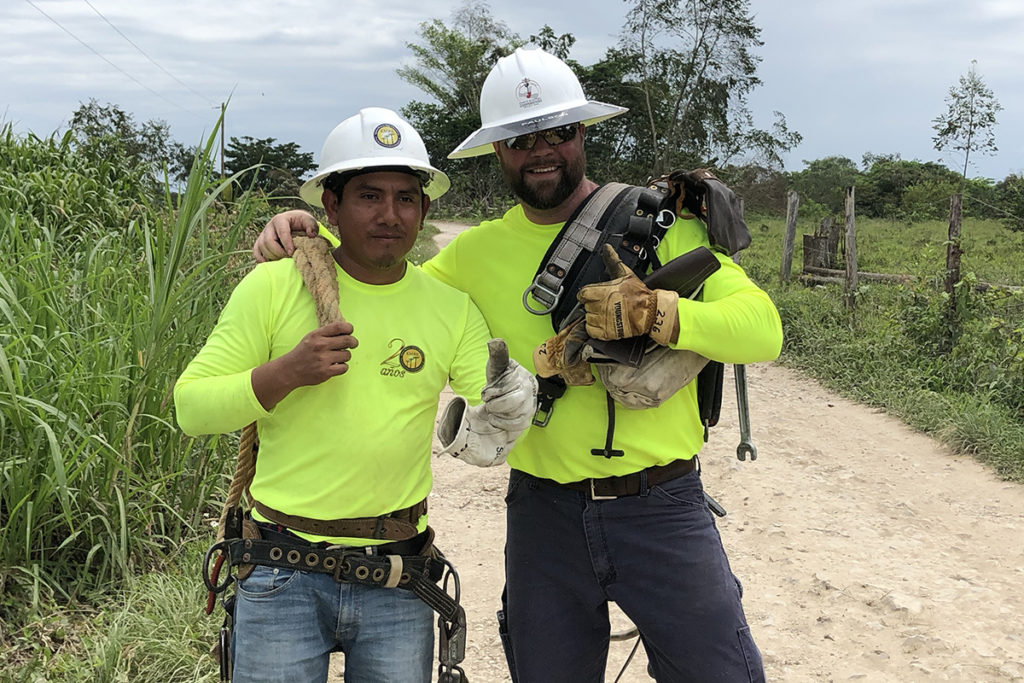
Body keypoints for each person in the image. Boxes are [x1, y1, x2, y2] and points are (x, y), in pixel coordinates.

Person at [254, 48, 782, 682]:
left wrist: (664, 316)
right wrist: (305, 229)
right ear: (497, 153)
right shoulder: (474, 255)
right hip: (543, 515)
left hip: (662, 505)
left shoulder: (658, 225)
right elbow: (382, 288)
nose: (542, 150)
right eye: (519, 138)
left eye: (559, 132)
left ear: (582, 134)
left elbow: (764, 331)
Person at [175, 107, 536, 683]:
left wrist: (510, 405)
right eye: (369, 196)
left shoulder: (448, 307)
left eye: (406, 198)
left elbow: (488, 409)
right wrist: (286, 372)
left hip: (398, 575)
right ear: (332, 206)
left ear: (423, 209)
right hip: (280, 570)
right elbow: (190, 406)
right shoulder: (273, 286)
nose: (390, 215)